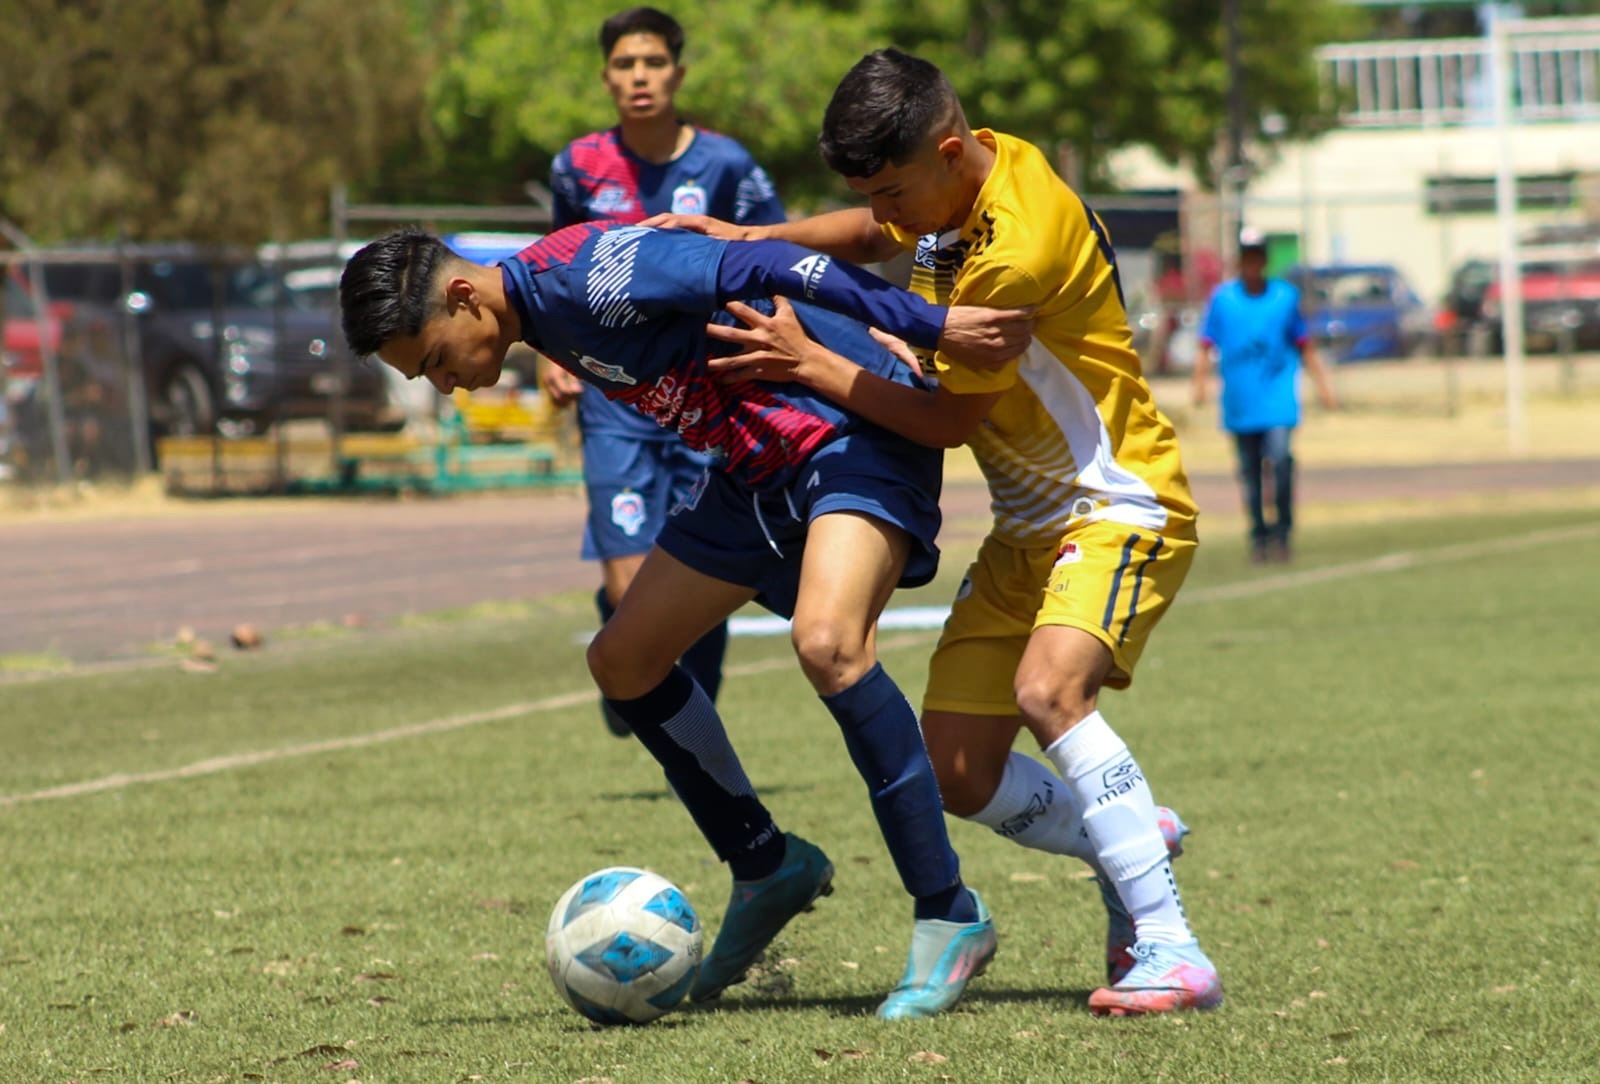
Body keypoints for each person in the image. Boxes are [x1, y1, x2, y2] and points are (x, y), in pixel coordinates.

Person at [337, 222, 1033, 1019]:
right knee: (622, 661)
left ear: (464, 297)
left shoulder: (591, 276)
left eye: (431, 360)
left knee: (827, 644)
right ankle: (767, 865)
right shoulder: (537, 315)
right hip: (752, 470)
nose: (444, 384)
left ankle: (948, 910)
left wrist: (926, 323)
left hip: (847, 437)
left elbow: (766, 263)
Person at [649, 47, 1221, 1015]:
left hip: (1116, 503)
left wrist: (807, 362)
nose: (888, 210)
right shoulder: (962, 176)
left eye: (895, 187)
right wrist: (750, 235)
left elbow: (948, 423)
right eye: (873, 190)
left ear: (950, 150)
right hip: (1023, 530)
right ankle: (1129, 829)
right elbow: (874, 234)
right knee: (958, 769)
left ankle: (1171, 947)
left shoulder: (1015, 246)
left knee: (1050, 689)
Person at [544, 7, 789, 735]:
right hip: (613, 397)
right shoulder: (578, 166)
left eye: (653, 63)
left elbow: (771, 253)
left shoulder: (725, 165)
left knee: (700, 566)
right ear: (606, 77)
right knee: (630, 593)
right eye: (625, 65)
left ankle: (681, 695)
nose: (639, 77)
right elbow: (550, 271)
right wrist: (551, 361)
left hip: (703, 398)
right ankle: (629, 650)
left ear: (677, 74)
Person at [1192, 228, 1338, 564]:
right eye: (1247, 255)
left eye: (1257, 255)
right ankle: (1259, 534)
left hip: (1278, 399)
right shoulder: (1223, 299)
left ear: (1265, 259)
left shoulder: (1284, 297)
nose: (1252, 262)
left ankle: (1282, 531)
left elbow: (1304, 344)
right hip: (1241, 401)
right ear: (1239, 260)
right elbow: (1205, 343)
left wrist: (1324, 387)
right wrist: (1199, 385)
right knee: (1250, 471)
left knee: (1281, 459)